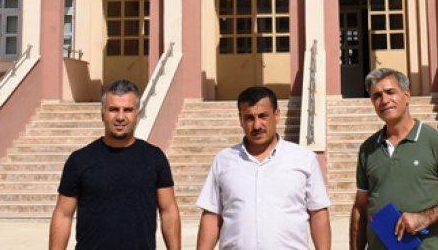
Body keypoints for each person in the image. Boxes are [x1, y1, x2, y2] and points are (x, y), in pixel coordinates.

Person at [350, 68, 438, 250]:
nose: (384, 100)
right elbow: (360, 209)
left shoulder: (436, 141)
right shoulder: (368, 149)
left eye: (390, 92)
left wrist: (425, 218)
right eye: (376, 96)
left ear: (407, 95)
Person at [49, 79, 181, 250]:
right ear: (102, 113)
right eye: (113, 110)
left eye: (127, 110)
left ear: (137, 114)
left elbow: (169, 211)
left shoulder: (154, 158)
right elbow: (63, 214)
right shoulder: (79, 160)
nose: (120, 117)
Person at [196, 86, 331, 250]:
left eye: (263, 116)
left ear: (277, 115)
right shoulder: (224, 161)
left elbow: (318, 213)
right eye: (249, 118)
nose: (257, 125)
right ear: (240, 120)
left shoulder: (304, 159)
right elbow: (212, 216)